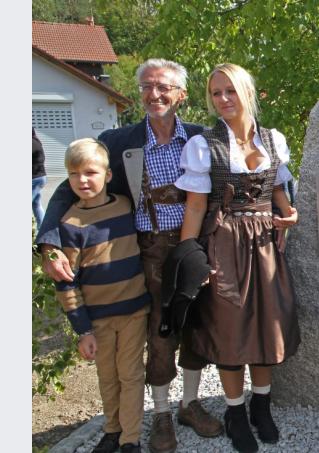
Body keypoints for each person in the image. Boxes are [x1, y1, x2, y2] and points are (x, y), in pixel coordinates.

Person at [35, 58, 223, 453]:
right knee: (159, 330)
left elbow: (238, 180)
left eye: (164, 87)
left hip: (195, 246)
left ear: (181, 95)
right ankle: (160, 415)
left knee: (195, 324)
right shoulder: (118, 142)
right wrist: (50, 242)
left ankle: (190, 404)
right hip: (148, 251)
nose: (154, 95)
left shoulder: (202, 139)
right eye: (147, 87)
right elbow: (69, 190)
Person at [176, 63, 301, 453]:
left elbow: (277, 187)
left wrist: (289, 212)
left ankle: (260, 404)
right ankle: (234, 411)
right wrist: (189, 253)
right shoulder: (203, 145)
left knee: (266, 324)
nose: (223, 99)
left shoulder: (272, 139)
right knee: (231, 329)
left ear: (247, 92)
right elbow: (195, 207)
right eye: (216, 93)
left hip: (265, 243)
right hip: (224, 243)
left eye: (230, 91)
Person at [55, 138, 150, 453]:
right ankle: (112, 430)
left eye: (90, 172)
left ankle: (130, 439)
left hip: (135, 310)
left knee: (132, 374)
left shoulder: (126, 205)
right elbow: (66, 282)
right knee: (108, 378)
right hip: (98, 319)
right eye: (74, 174)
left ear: (108, 175)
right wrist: (82, 330)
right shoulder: (69, 224)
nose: (82, 180)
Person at [32, 128, 46, 231]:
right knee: (36, 205)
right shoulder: (36, 141)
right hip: (40, 177)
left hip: (34, 178)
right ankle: (42, 229)